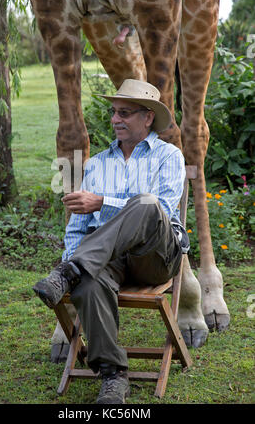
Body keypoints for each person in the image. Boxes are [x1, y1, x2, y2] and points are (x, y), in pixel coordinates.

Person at [33, 79, 189, 404]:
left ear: (148, 117)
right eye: (114, 112)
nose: (115, 119)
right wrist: (73, 255)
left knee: (147, 203)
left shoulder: (169, 156)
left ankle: (71, 269)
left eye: (125, 113)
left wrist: (102, 201)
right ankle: (113, 375)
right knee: (87, 284)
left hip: (156, 257)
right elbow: (78, 226)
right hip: (108, 260)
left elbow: (162, 208)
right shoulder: (98, 163)